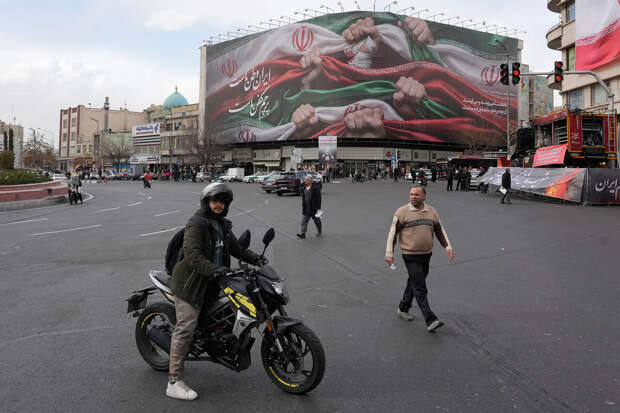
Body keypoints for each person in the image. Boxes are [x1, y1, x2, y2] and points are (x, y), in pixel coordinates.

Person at [167, 183, 263, 400]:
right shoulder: (196, 224)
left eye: (223, 202)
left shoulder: (222, 225)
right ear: (206, 202)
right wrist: (214, 269)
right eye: (215, 201)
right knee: (186, 328)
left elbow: (238, 249)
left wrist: (258, 259)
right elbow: (193, 256)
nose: (219, 205)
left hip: (213, 281)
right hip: (190, 284)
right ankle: (174, 382)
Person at [385, 184, 454, 332]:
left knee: (414, 282)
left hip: (426, 254)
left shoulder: (432, 212)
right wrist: (389, 252)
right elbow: (392, 233)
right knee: (420, 287)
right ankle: (430, 319)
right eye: (411, 194)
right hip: (410, 255)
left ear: (424, 196)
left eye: (416, 194)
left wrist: (447, 246)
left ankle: (403, 308)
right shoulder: (402, 212)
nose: (413, 197)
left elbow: (440, 230)